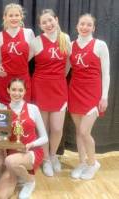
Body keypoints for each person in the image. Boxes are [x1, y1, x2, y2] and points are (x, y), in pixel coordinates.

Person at [29, 9, 71, 177]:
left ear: (56, 19)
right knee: (43, 128)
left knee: (57, 128)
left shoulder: (65, 38)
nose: (48, 24)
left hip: (59, 87)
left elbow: (68, 65)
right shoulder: (36, 42)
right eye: (44, 22)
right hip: (40, 87)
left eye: (50, 20)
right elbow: (21, 62)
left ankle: (53, 155)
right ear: (40, 26)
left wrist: (58, 78)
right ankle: (45, 159)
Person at [68, 14, 110, 180]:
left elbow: (106, 74)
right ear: (77, 26)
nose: (85, 27)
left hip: (92, 94)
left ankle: (93, 163)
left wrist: (104, 96)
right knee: (79, 131)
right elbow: (65, 69)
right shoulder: (71, 45)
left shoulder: (100, 45)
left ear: (93, 28)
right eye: (82, 24)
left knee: (85, 131)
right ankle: (82, 162)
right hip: (74, 91)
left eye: (88, 25)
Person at [0, 79, 48, 199]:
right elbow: (1, 137)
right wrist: (0, 141)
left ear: (25, 91)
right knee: (1, 196)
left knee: (10, 161)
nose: (17, 93)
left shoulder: (33, 108)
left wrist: (31, 144)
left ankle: (30, 181)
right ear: (8, 90)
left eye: (20, 90)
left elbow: (45, 137)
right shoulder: (3, 111)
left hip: (31, 152)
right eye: (13, 89)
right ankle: (19, 175)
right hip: (12, 154)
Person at [0, 3, 35, 104]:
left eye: (17, 15)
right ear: (4, 17)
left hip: (23, 78)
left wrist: (19, 64)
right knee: (5, 114)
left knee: (23, 112)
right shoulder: (0, 35)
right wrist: (0, 66)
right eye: (10, 15)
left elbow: (31, 54)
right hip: (5, 79)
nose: (14, 18)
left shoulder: (28, 33)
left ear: (21, 16)